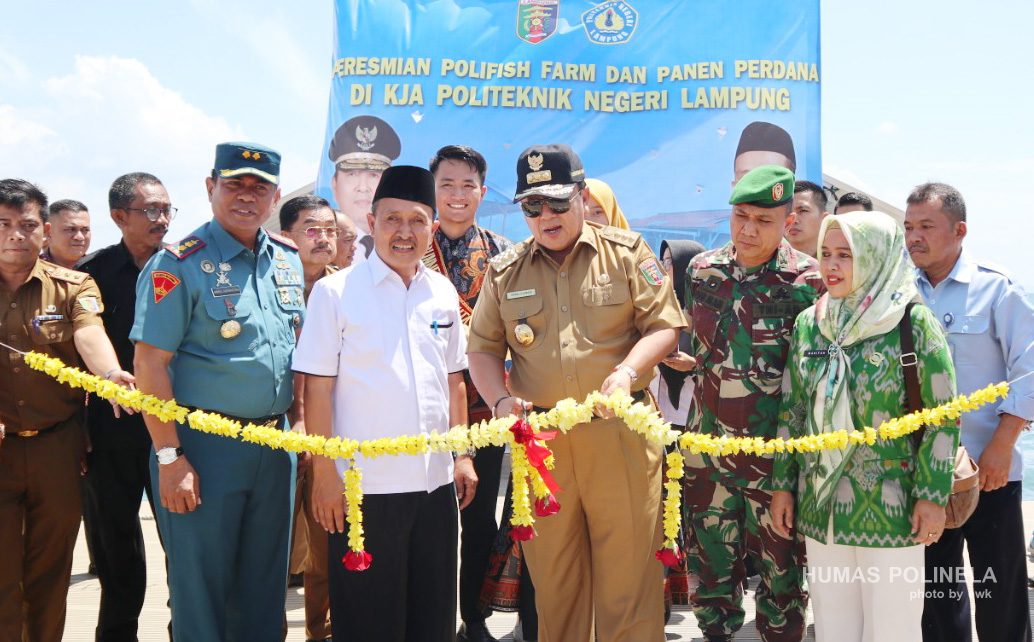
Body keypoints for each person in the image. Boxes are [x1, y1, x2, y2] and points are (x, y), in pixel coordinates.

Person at [468, 144, 686, 642]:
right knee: (555, 587)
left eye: (558, 203)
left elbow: (665, 327)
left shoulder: (628, 253)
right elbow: (481, 349)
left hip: (622, 438)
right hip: (544, 448)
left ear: (583, 197)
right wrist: (501, 401)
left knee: (628, 585)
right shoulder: (505, 272)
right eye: (532, 206)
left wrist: (628, 372)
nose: (546, 216)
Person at [130, 143, 303, 641]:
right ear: (211, 188)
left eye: (260, 187)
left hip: (276, 446)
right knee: (201, 590)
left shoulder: (287, 260)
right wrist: (169, 457)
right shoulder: (178, 263)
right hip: (203, 449)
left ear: (274, 196)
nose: (247, 197)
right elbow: (150, 363)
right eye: (235, 185)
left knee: (265, 588)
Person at [294, 165, 473, 642]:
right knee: (368, 623)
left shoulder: (442, 292)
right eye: (392, 219)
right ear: (371, 222)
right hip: (362, 489)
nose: (404, 232)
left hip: (435, 488)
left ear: (432, 229)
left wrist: (463, 455)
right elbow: (317, 388)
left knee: (432, 619)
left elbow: (454, 379)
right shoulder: (336, 293)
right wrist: (325, 472)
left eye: (417, 221)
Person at [770, 211, 960, 641]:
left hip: (891, 508)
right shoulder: (810, 324)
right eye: (825, 254)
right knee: (834, 627)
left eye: (846, 255)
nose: (831, 266)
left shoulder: (910, 322)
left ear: (876, 257)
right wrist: (784, 484)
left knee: (892, 627)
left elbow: (944, 416)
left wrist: (932, 496)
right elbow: (793, 411)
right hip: (822, 508)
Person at [682, 165, 820, 642]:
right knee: (712, 578)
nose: (747, 229)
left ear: (788, 220)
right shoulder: (702, 271)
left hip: (773, 462)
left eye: (763, 220)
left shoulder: (809, 283)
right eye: (740, 216)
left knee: (782, 583)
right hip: (707, 455)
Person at [0, 178, 133, 642]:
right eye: (3, 224)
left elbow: (89, 334)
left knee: (50, 573)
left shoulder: (73, 285)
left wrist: (111, 375)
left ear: (43, 229)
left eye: (27, 224)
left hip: (57, 448)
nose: (16, 234)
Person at [905, 182, 1034, 642]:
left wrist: (1002, 446)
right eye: (908, 227)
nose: (914, 237)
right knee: (937, 601)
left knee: (1000, 597)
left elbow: (1028, 368)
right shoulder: (898, 292)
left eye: (926, 226)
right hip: (923, 476)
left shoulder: (997, 288)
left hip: (989, 470)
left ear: (959, 230)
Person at [77, 172, 175, 642]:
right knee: (115, 546)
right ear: (119, 217)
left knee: (182, 541)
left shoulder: (183, 266)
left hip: (176, 430)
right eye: (149, 211)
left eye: (165, 210)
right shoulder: (89, 274)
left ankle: (188, 628)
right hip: (110, 431)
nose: (161, 219)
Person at [427, 144, 514, 642]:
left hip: (484, 407)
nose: (457, 196)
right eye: (447, 185)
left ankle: (474, 617)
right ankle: (433, 616)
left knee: (480, 517)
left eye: (467, 186)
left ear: (482, 191)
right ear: (433, 190)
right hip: (421, 408)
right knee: (430, 518)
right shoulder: (410, 243)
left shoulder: (504, 252)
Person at [278, 193, 339, 642]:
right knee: (273, 553)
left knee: (326, 549)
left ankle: (321, 633)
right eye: (311, 230)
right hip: (270, 433)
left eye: (329, 230)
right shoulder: (264, 283)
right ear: (287, 236)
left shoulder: (349, 288)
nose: (323, 239)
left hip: (331, 437)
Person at [654, 239, 705, 615]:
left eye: (673, 261)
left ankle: (697, 592)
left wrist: (697, 364)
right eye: (663, 259)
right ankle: (664, 596)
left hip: (696, 426)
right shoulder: (653, 307)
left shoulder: (707, 311)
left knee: (692, 510)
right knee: (661, 510)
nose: (664, 266)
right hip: (655, 425)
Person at [329, 114, 401, 262]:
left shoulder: (408, 242)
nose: (363, 187)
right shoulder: (322, 248)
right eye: (352, 174)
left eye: (373, 175)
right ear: (334, 184)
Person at [42, 199, 91, 268]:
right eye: (71, 229)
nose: (80, 237)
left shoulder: (103, 269)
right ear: (48, 233)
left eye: (85, 230)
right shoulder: (27, 271)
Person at [786, 180, 828, 257]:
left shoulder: (835, 265)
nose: (793, 219)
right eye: (788, 212)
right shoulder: (765, 263)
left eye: (803, 211)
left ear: (824, 219)